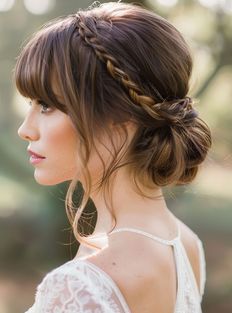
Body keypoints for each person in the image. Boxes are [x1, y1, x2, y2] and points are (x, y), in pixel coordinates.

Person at [14, 1, 212, 312]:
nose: (26, 129)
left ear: (120, 118)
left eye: (46, 105)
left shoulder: (80, 286)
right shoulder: (186, 247)